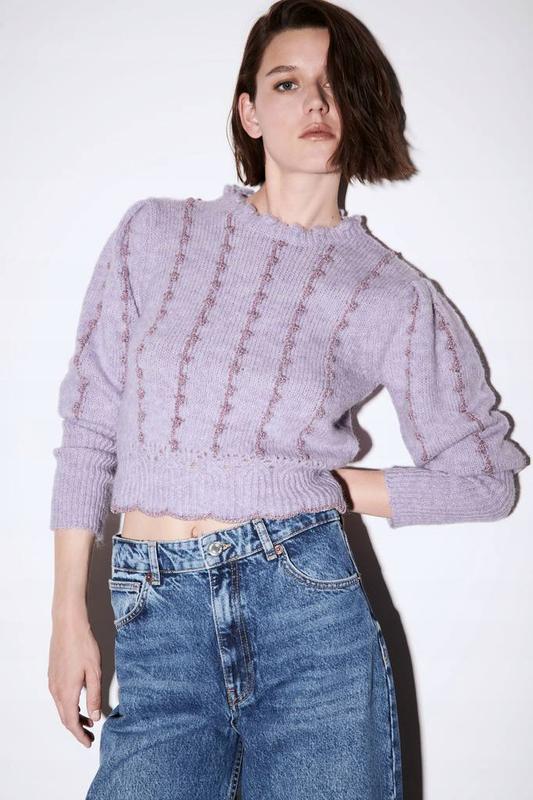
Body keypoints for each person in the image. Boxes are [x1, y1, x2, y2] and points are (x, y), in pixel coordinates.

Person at [47, 1, 528, 798]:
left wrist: (324, 488)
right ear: (249, 112)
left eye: (334, 85)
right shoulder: (154, 235)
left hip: (304, 615)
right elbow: (92, 424)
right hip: (154, 619)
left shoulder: (388, 292)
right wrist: (69, 613)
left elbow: (485, 481)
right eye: (286, 82)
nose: (314, 102)